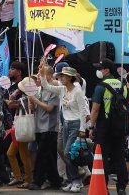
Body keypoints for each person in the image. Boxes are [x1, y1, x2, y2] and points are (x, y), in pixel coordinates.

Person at [39, 64, 87, 193]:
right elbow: (46, 86)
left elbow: (83, 111)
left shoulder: (77, 91)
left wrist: (83, 128)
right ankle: (73, 180)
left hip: (75, 124)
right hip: (65, 123)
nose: (61, 77)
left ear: (70, 77)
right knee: (66, 153)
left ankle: (76, 180)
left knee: (67, 153)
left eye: (64, 76)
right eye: (61, 75)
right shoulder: (62, 89)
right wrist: (42, 73)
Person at [89, 59, 128, 195]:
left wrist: (91, 127)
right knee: (119, 157)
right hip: (120, 126)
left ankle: (103, 187)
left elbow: (95, 110)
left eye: (101, 68)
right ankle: (122, 187)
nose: (99, 71)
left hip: (104, 126)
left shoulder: (100, 86)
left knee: (102, 158)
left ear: (106, 70)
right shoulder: (123, 86)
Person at [28, 65, 62, 190]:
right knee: (49, 156)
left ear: (49, 76)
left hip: (49, 128)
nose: (39, 76)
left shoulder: (54, 90)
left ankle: (37, 181)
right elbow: (33, 109)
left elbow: (49, 108)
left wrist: (36, 101)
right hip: (39, 127)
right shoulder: (39, 90)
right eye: (39, 73)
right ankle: (55, 181)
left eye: (42, 73)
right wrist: (31, 102)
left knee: (42, 155)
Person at [7, 78, 33, 188]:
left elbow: (11, 103)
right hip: (21, 129)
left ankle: (27, 179)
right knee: (12, 153)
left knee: (23, 155)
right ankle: (19, 177)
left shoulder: (26, 99)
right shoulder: (26, 98)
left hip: (22, 129)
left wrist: (16, 92)